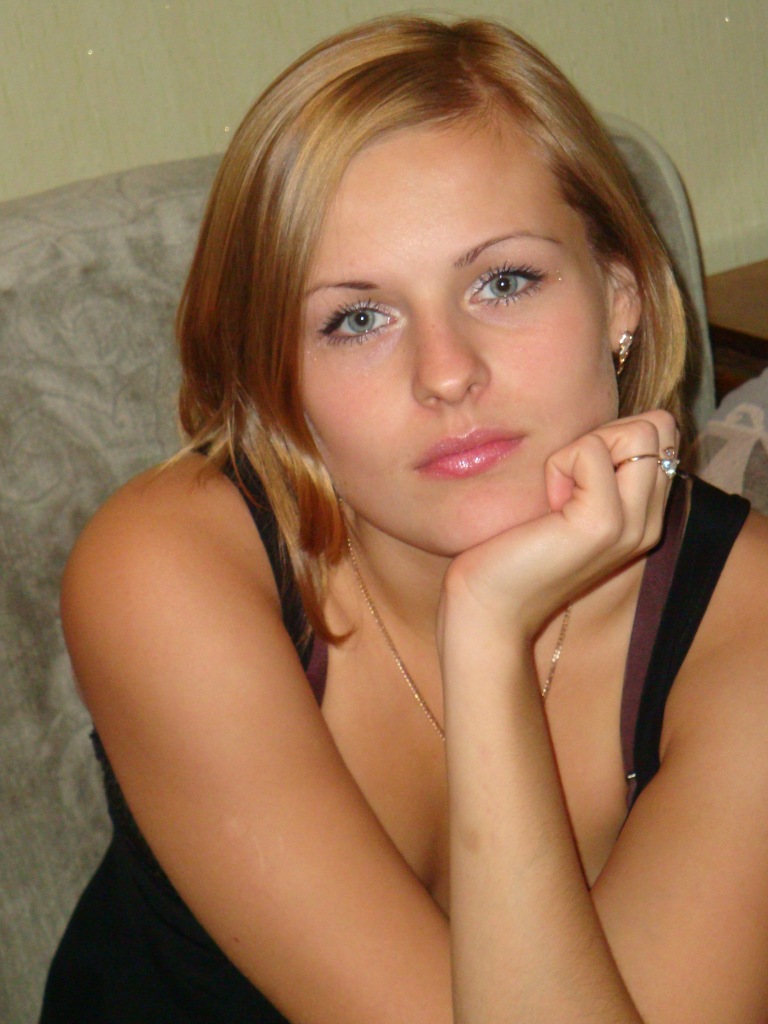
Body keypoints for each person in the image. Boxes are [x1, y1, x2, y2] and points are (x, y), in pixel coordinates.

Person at [41, 15, 768, 1024]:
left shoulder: (746, 623)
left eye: (503, 282)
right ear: (275, 376)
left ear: (622, 297)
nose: (446, 373)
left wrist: (485, 635)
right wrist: (493, 635)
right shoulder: (169, 572)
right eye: (356, 318)